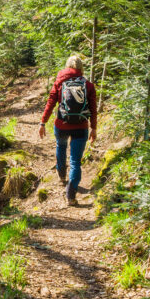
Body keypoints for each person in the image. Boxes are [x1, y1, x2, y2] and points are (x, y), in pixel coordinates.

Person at [38, 54, 97, 206]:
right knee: (76, 161)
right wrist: (94, 128)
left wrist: (43, 122)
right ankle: (71, 195)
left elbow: (51, 102)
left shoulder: (59, 82)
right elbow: (93, 109)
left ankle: (62, 176)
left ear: (67, 67)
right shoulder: (88, 85)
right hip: (81, 127)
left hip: (62, 125)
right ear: (81, 68)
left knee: (61, 146)